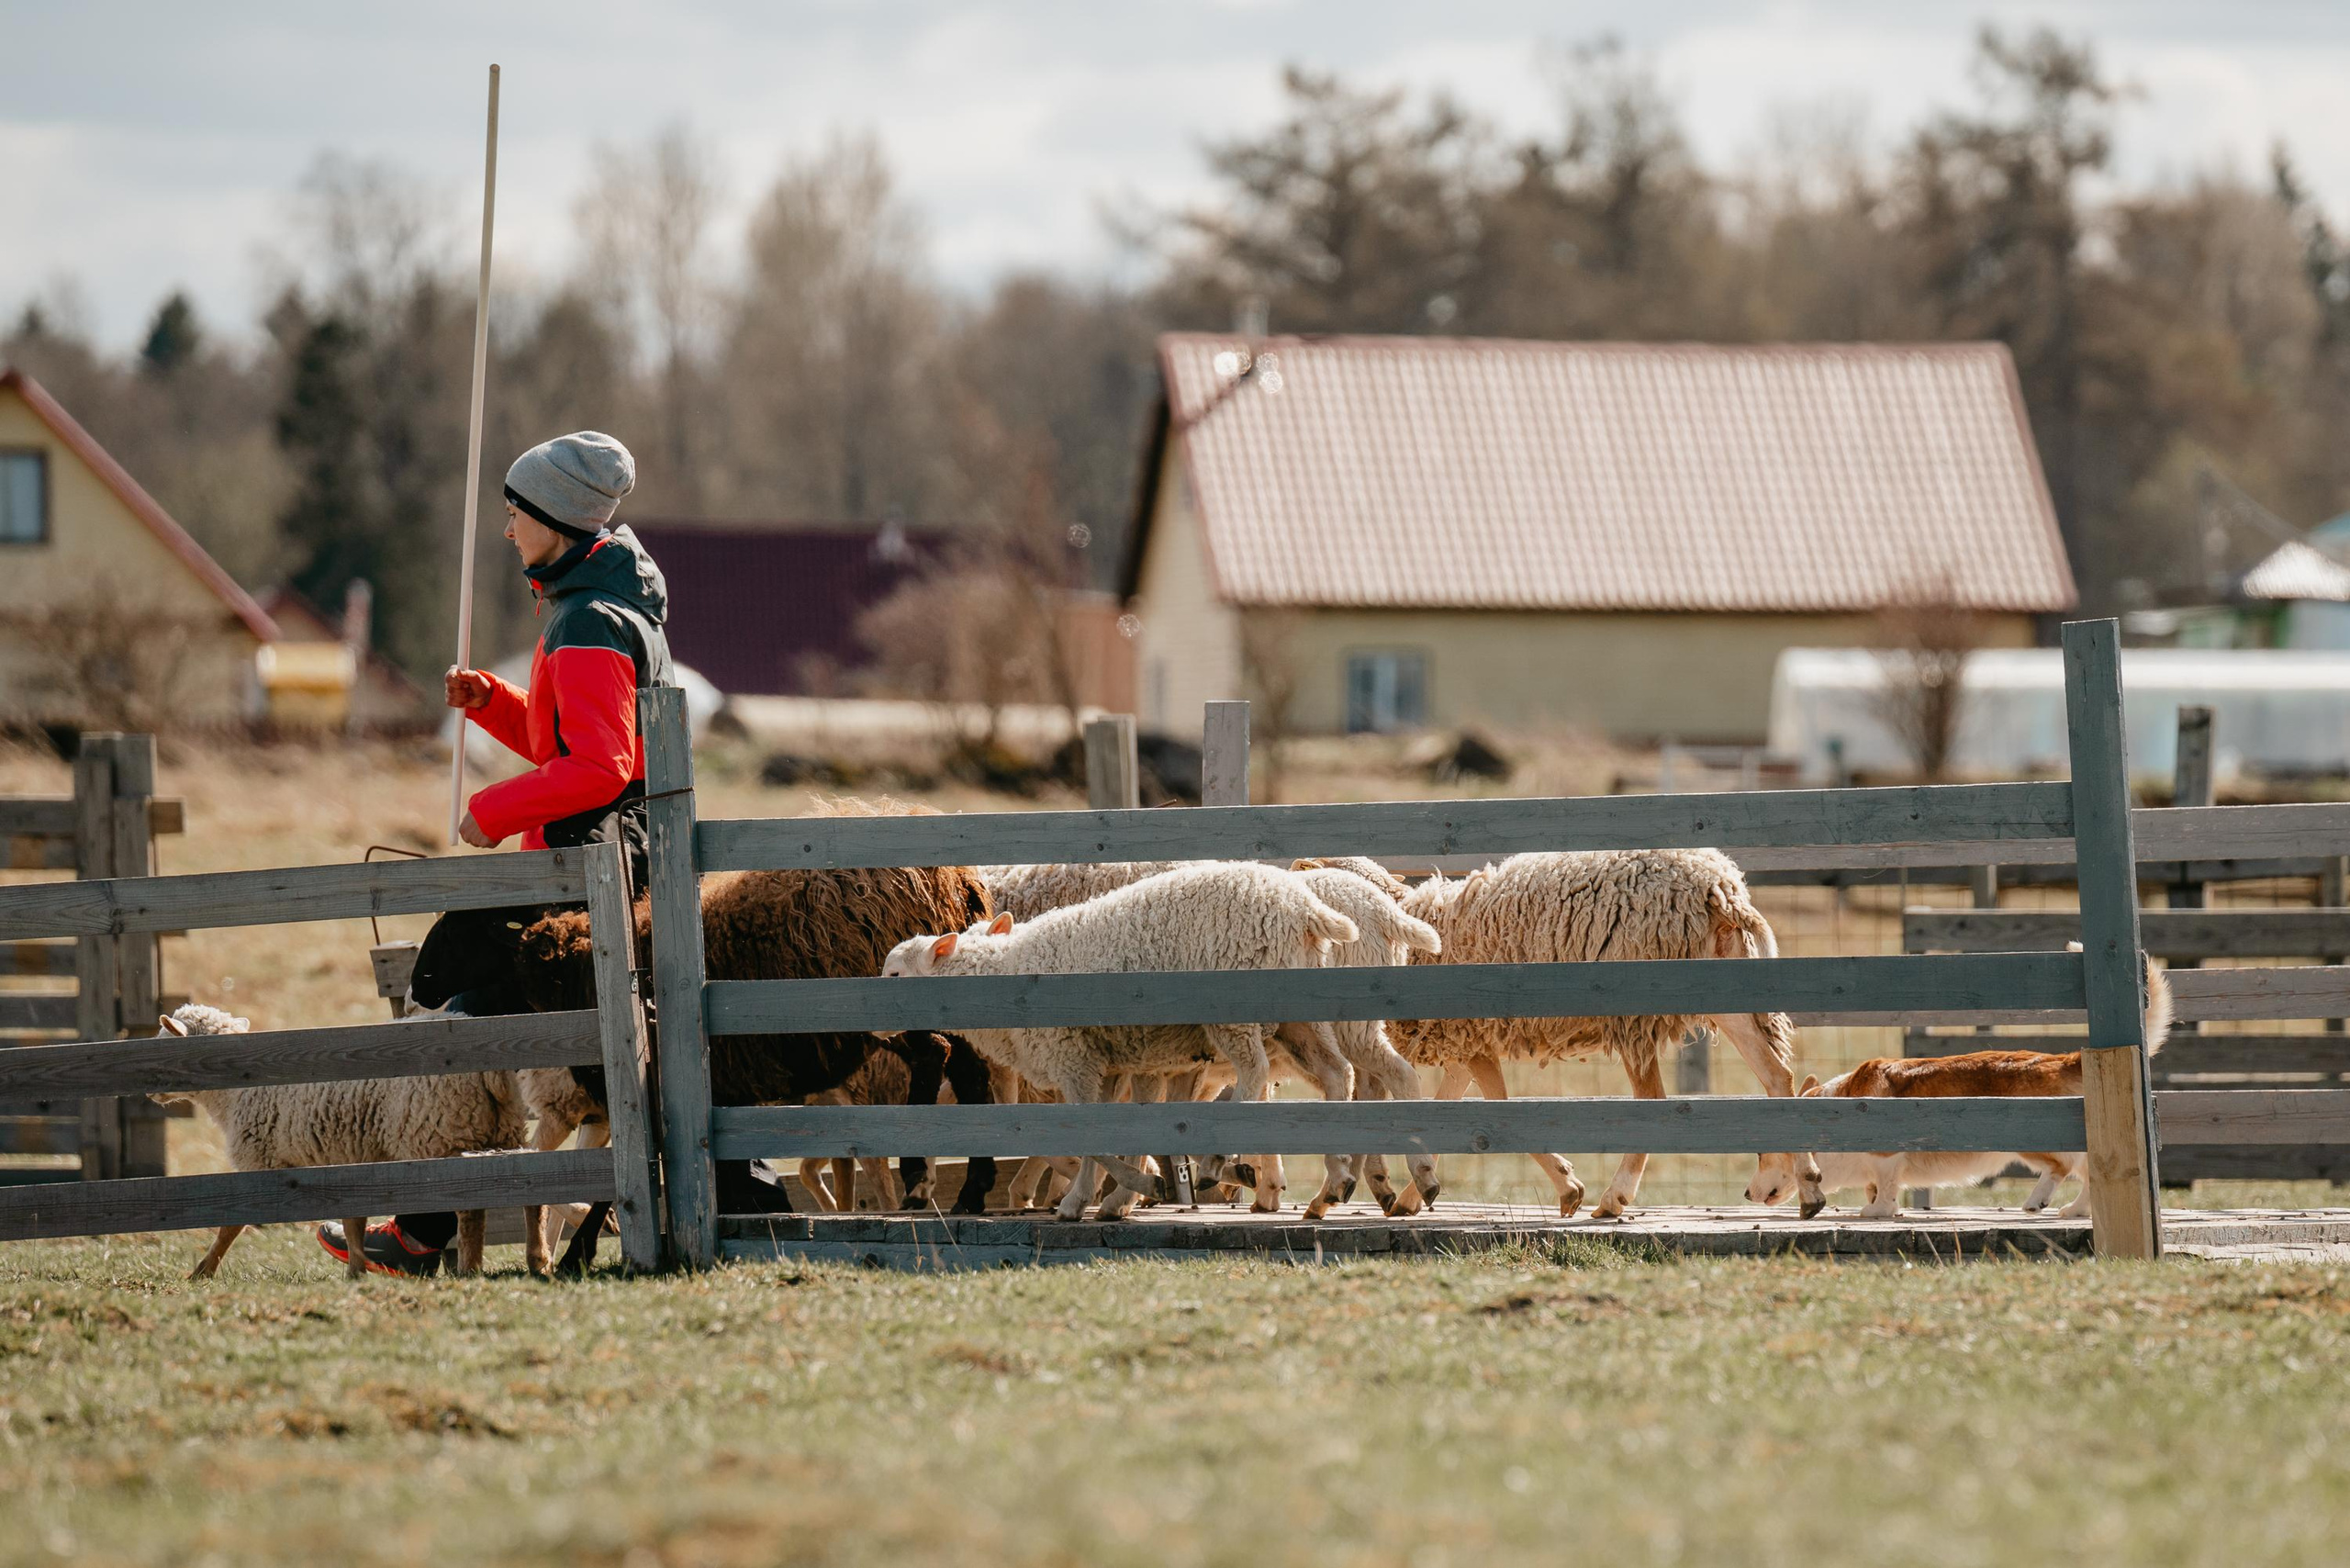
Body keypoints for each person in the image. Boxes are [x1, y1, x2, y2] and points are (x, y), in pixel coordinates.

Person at [321, 431, 673, 1276]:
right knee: (470, 1006)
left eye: (517, 513)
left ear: (555, 517)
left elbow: (600, 767)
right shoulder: (592, 607)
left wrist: (492, 807)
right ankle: (424, 1232)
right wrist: (491, 703)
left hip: (579, 869)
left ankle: (423, 1229)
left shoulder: (588, 619)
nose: (508, 529)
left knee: (444, 983)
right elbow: (565, 739)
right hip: (596, 862)